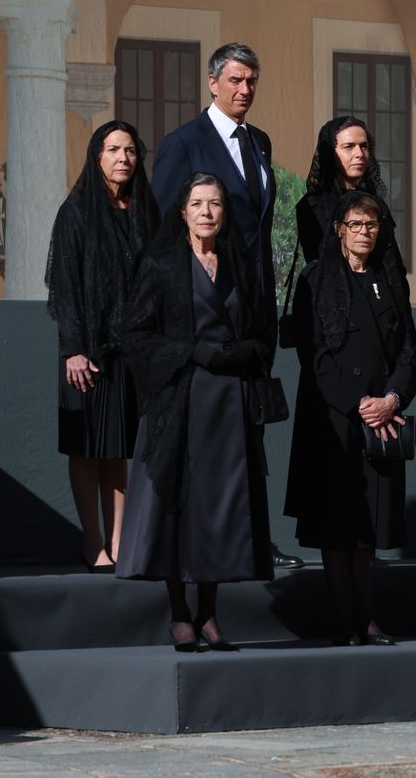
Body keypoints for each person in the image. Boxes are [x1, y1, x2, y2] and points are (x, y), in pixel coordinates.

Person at [150, 42, 302, 570]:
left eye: (252, 81)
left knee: (249, 425)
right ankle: (202, 544)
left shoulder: (258, 141)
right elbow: (164, 228)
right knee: (206, 433)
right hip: (201, 307)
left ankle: (252, 538)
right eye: (235, 80)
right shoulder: (184, 143)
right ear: (212, 83)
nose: (245, 90)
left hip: (252, 306)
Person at [118, 173, 274, 652]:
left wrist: (243, 351)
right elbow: (136, 335)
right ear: (182, 211)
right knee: (177, 507)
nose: (207, 212)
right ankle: (180, 614)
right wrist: (192, 352)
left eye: (215, 204)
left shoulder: (240, 262)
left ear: (224, 213)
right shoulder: (162, 262)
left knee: (220, 509)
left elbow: (262, 326)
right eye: (197, 204)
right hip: (178, 400)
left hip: (230, 403)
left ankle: (209, 614)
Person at [284, 191, 416, 645]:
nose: (365, 232)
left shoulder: (388, 278)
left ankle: (367, 616)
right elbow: (314, 352)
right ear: (339, 228)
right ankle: (344, 619)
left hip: (383, 418)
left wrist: (392, 398)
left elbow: (408, 350)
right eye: (357, 224)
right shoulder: (317, 279)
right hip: (333, 420)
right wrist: (358, 403)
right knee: (336, 524)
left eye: (373, 225)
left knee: (368, 531)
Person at [45, 121, 159, 569]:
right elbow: (64, 285)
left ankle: (119, 543)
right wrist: (73, 348)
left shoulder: (144, 211)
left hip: (131, 352)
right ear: (97, 157)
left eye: (130, 151)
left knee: (117, 449)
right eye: (113, 150)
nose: (123, 159)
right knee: (86, 447)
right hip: (86, 351)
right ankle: (92, 543)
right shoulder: (74, 212)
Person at [296, 116, 390, 263]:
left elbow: (393, 265)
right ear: (330, 154)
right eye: (349, 146)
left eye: (364, 146)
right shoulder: (313, 206)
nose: (359, 154)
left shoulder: (377, 204)